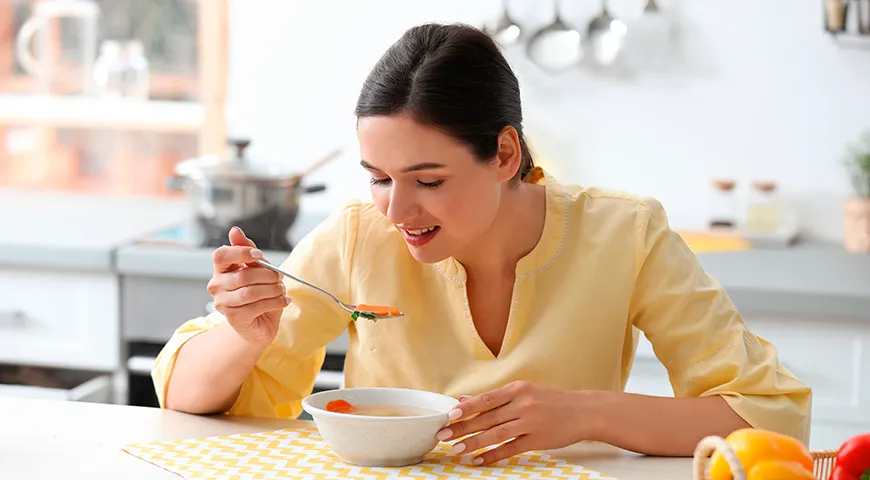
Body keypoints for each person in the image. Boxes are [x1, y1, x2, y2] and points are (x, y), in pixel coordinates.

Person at [152, 23, 811, 466]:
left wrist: (587, 414)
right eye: (379, 178)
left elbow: (772, 421)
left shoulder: (626, 236)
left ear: (503, 153)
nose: (397, 209)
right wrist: (244, 334)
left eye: (428, 180)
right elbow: (186, 400)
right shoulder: (358, 237)